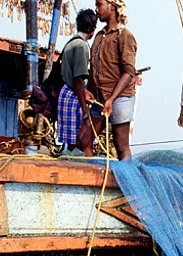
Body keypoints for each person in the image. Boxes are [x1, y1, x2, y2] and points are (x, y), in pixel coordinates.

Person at [79, 0, 137, 160]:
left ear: (112, 7)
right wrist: (88, 90)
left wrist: (111, 99)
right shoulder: (99, 36)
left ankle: (126, 181)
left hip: (120, 98)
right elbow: (94, 70)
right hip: (100, 99)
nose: (96, 9)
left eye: (99, 5)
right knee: (83, 141)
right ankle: (89, 179)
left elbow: (128, 73)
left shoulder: (125, 36)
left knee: (121, 145)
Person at [57, 9, 98, 155]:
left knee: (72, 142)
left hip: (67, 93)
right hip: (74, 95)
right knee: (83, 141)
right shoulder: (81, 46)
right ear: (93, 29)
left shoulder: (70, 43)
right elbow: (78, 79)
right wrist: (84, 107)